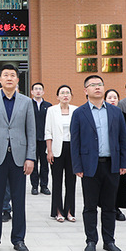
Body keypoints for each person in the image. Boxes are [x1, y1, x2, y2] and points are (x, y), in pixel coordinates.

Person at [0, 64, 36, 251]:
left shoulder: (26, 102)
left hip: (19, 157)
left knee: (19, 201)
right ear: (0, 79)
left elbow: (31, 131)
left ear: (18, 80)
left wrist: (30, 157)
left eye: (13, 75)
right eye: (6, 75)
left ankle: (19, 239)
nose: (9, 78)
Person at [70, 75, 126, 251]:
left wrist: (124, 162)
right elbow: (75, 142)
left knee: (110, 206)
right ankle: (91, 240)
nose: (97, 87)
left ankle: (109, 241)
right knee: (90, 206)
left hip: (111, 165)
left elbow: (123, 139)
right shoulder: (79, 113)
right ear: (85, 90)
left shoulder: (115, 112)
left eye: (100, 84)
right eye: (93, 85)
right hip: (90, 166)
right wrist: (77, 166)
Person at [44, 85, 78, 223]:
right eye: (62, 93)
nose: (65, 95)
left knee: (71, 181)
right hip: (57, 149)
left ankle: (69, 211)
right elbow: (48, 131)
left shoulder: (76, 110)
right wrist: (49, 151)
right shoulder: (52, 110)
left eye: (68, 93)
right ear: (57, 96)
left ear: (71, 96)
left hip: (72, 149)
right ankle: (58, 211)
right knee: (57, 181)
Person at [103, 89, 126, 222]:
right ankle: (106, 207)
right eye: (110, 97)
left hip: (120, 155)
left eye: (115, 97)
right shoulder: (102, 114)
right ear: (105, 100)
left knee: (120, 184)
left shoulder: (122, 115)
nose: (112, 100)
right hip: (106, 155)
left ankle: (117, 208)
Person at [30, 82, 52, 196]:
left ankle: (44, 186)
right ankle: (34, 186)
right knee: (33, 163)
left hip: (44, 139)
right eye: (36, 89)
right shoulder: (28, 105)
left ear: (43, 92)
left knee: (44, 164)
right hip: (32, 139)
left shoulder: (48, 106)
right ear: (32, 92)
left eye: (40, 89)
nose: (38, 91)